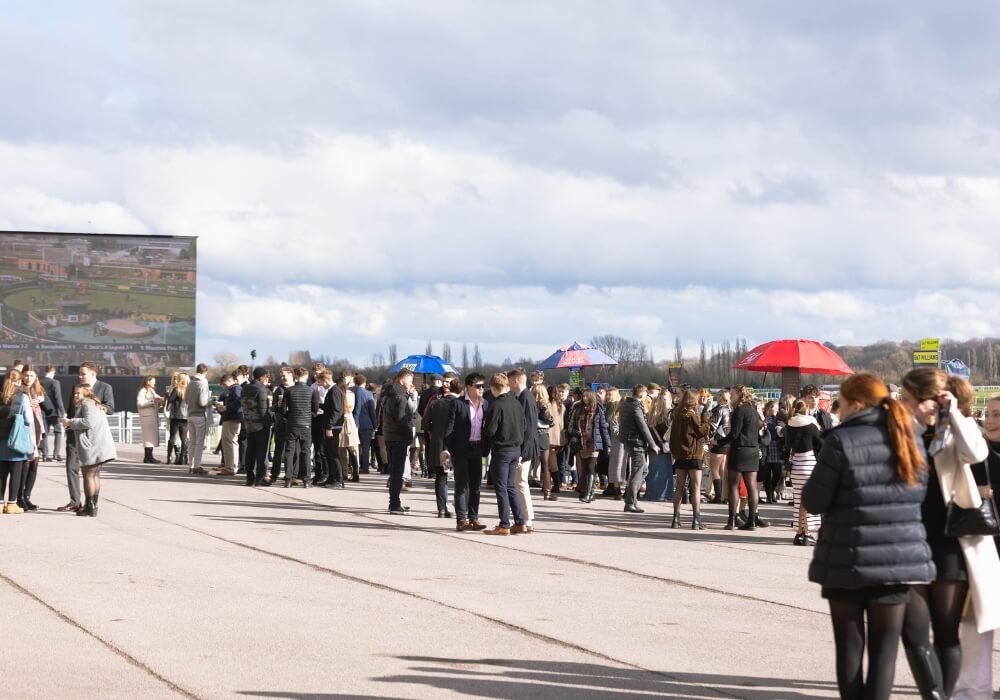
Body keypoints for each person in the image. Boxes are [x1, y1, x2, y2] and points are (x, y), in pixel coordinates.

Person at [802, 372, 934, 700]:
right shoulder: (909, 438)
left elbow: (814, 500)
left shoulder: (840, 440)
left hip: (845, 560)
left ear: (857, 404)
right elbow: (921, 496)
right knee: (884, 654)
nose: (838, 411)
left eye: (842, 405)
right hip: (898, 562)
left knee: (849, 649)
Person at [899, 369, 997, 699]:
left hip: (950, 543)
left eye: (908, 398)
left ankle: (940, 694)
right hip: (909, 542)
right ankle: (935, 692)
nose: (905, 403)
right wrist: (916, 418)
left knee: (946, 632)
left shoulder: (958, 428)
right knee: (913, 631)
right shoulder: (904, 429)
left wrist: (952, 412)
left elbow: (976, 453)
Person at [955, 394, 1000, 700]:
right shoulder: (979, 454)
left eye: (997, 415)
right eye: (989, 414)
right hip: (983, 548)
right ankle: (974, 691)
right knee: (977, 624)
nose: (991, 420)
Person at [60, 361, 114, 513]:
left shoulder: (103, 388)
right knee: (73, 468)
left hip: (91, 439)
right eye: (79, 373)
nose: (80, 376)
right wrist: (69, 424)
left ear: (92, 374)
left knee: (89, 474)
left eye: (83, 373)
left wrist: (97, 409)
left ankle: (90, 505)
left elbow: (109, 409)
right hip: (75, 434)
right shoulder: (77, 388)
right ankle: (75, 501)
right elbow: (73, 410)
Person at [444, 373, 489, 532]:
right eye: (478, 386)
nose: (481, 389)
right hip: (461, 449)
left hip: (477, 448)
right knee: (462, 485)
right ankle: (461, 520)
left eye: (483, 386)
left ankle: (474, 518)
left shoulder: (486, 404)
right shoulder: (457, 403)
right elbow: (450, 427)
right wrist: (446, 448)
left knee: (476, 485)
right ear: (469, 387)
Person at [482, 372, 526, 535]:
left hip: (502, 450)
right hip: (516, 449)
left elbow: (490, 430)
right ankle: (520, 521)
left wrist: (485, 426)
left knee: (501, 488)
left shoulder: (496, 405)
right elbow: (524, 426)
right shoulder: (516, 403)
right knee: (510, 486)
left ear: (493, 388)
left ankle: (504, 524)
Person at [720, 385, 763, 530]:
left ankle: (731, 520)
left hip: (740, 451)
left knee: (733, 486)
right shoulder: (753, 410)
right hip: (753, 451)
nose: (730, 396)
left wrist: (717, 441)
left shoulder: (739, 410)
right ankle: (751, 521)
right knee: (752, 487)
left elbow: (734, 434)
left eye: (732, 394)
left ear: (739, 394)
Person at [669, 389, 711, 529]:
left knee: (679, 487)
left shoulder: (677, 415)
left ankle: (675, 518)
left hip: (680, 455)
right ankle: (696, 519)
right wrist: (705, 418)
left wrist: (675, 453)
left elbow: (673, 437)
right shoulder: (692, 414)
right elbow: (701, 431)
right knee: (696, 487)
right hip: (694, 454)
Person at [787, 399, 824, 546]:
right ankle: (807, 533)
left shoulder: (790, 425)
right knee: (808, 500)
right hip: (808, 464)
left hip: (796, 465)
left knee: (799, 500)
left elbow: (787, 445)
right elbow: (821, 443)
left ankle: (799, 533)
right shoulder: (811, 424)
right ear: (806, 410)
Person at [619, 384, 660, 514]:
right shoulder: (635, 406)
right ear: (642, 394)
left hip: (629, 441)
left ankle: (632, 498)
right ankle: (630, 502)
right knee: (638, 471)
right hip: (636, 442)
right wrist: (653, 444)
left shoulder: (626, 404)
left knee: (643, 471)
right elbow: (643, 427)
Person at [509, 368, 541, 531]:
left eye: (509, 381)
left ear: (515, 381)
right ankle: (524, 517)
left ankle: (527, 519)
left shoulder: (526, 398)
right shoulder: (521, 396)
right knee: (518, 482)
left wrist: (521, 453)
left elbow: (528, 428)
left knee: (520, 482)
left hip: (525, 448)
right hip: (524, 447)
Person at [382, 368, 418, 514]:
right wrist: (409, 435)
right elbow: (401, 420)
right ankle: (394, 504)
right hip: (398, 437)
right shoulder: (400, 397)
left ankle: (395, 502)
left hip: (389, 436)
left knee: (394, 471)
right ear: (402, 379)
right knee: (397, 473)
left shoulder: (389, 393)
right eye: (409, 380)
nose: (411, 383)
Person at [0, 370, 33, 514]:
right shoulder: (23, 397)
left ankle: (0, 504)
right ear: (19, 381)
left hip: (1, 440)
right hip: (17, 439)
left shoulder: (1, 396)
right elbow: (29, 420)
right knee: (16, 473)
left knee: (1, 474)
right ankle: (12, 503)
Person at [424, 378, 458, 518]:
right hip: (456, 444)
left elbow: (425, 423)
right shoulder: (460, 404)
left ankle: (442, 509)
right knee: (459, 478)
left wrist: (435, 432)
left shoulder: (435, 403)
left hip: (438, 444)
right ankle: (458, 507)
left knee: (441, 477)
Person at [17, 366, 46, 511]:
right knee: (24, 465)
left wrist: (41, 401)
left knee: (34, 465)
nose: (29, 378)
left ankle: (27, 496)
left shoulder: (38, 391)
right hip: (25, 433)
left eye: (32, 376)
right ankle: (19, 497)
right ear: (22, 376)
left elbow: (50, 410)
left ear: (36, 377)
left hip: (38, 433)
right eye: (26, 375)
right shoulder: (19, 390)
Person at [281, 367, 316, 488]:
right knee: (306, 452)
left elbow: (283, 409)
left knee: (289, 452)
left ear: (295, 377)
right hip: (306, 425)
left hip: (292, 425)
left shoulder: (289, 391)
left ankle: (288, 479)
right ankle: (306, 480)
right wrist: (309, 416)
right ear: (306, 377)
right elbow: (315, 409)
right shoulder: (311, 391)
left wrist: (289, 417)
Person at [241, 368, 272, 486]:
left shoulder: (244, 388)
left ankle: (249, 478)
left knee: (250, 451)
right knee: (261, 453)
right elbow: (263, 410)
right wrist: (267, 424)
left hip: (248, 424)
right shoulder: (262, 390)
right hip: (260, 425)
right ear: (263, 376)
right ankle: (259, 478)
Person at [644, 391, 674, 502]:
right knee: (663, 474)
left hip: (652, 448)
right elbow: (667, 435)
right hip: (662, 448)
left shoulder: (650, 416)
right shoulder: (663, 418)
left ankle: (651, 493)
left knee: (653, 472)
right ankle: (662, 495)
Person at [184, 363, 211, 475]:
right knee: (199, 443)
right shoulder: (203, 383)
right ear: (206, 372)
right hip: (199, 415)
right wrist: (212, 401)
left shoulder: (190, 383)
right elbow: (203, 402)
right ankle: (197, 466)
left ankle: (191, 465)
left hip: (190, 415)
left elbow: (185, 399)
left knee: (192, 442)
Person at [321, 370, 346, 488]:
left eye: (322, 382)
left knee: (333, 453)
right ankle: (332, 478)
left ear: (326, 380)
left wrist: (330, 426)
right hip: (332, 425)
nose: (322, 385)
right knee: (328, 452)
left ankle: (338, 479)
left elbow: (337, 411)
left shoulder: (334, 391)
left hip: (334, 426)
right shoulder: (332, 390)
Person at [707, 389, 731, 503]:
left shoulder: (719, 410)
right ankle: (724, 496)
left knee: (714, 470)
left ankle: (718, 496)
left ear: (720, 397)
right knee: (722, 470)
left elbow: (713, 426)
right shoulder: (730, 409)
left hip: (718, 441)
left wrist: (709, 439)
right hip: (726, 441)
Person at [544, 384, 567, 501]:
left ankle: (552, 485)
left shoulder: (548, 405)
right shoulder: (561, 406)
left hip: (549, 435)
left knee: (549, 461)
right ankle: (554, 485)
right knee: (553, 460)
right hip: (558, 436)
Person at [603, 387, 626, 500]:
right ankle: (612, 487)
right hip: (610, 438)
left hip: (615, 439)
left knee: (617, 464)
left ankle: (615, 488)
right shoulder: (606, 407)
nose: (608, 397)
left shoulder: (617, 408)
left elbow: (613, 425)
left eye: (610, 395)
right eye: (607, 394)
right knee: (612, 464)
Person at [218, 373, 242, 476]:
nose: (224, 386)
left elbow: (239, 402)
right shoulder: (233, 390)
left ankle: (231, 467)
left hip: (233, 419)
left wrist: (226, 408)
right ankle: (229, 466)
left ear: (230, 381)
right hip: (230, 418)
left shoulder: (236, 389)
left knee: (230, 442)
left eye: (224, 384)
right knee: (227, 442)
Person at [40, 365, 65, 462]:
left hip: (43, 411)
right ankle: (56, 454)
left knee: (44, 433)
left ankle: (45, 455)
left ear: (45, 371)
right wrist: (63, 412)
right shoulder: (55, 382)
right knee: (58, 432)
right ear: (53, 372)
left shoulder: (40, 382)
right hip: (54, 412)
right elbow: (58, 398)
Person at [352, 373, 377, 474]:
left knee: (354, 447)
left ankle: (353, 466)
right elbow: (372, 411)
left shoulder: (350, 391)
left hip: (353, 422)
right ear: (364, 383)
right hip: (367, 424)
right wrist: (375, 425)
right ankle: (365, 467)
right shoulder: (368, 394)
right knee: (365, 447)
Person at [137, 376, 163, 464]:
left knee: (151, 438)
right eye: (153, 381)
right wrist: (152, 401)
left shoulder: (152, 391)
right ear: (148, 382)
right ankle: (148, 457)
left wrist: (159, 402)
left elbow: (155, 402)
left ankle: (149, 456)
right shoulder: (143, 390)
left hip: (151, 417)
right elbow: (140, 403)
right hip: (147, 418)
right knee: (148, 438)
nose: (154, 383)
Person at [165, 372, 189, 465]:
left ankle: (169, 457)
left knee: (172, 437)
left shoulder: (177, 389)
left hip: (176, 417)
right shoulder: (188, 390)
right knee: (184, 438)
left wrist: (167, 395)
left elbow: (171, 400)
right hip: (185, 417)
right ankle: (182, 458)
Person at [340, 389, 361, 483]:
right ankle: (355, 472)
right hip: (351, 421)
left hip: (342, 421)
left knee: (342, 449)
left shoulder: (341, 393)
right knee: (352, 448)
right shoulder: (352, 394)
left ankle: (344, 473)